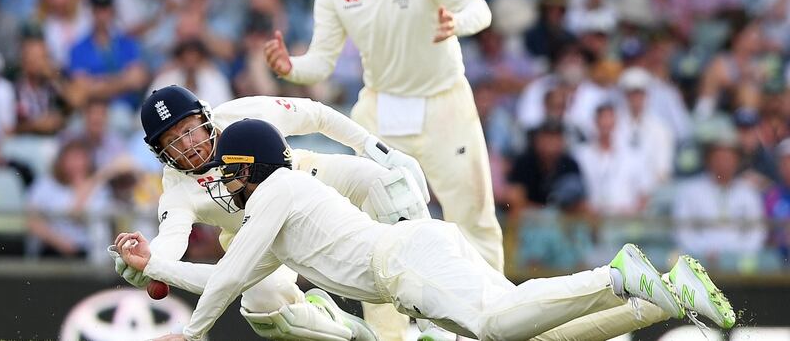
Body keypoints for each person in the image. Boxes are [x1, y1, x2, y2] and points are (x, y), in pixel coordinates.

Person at [116, 119, 736, 341]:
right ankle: (660, 300)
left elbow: (223, 279)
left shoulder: (276, 193)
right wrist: (153, 264)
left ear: (247, 164)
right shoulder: (271, 213)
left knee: (497, 326)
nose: (220, 177)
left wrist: (193, 334)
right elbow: (226, 275)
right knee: (524, 335)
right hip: (410, 264)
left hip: (405, 263)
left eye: (228, 167)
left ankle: (616, 274)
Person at [264, 0, 504, 336]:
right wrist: (290, 68)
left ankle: (494, 320)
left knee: (472, 214)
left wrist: (457, 23)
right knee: (376, 227)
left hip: (443, 102)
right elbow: (321, 61)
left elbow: (480, 10)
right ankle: (389, 333)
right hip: (381, 107)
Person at [111, 85, 430, 341]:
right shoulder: (177, 188)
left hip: (307, 175)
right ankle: (347, 331)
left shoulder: (241, 114)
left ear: (205, 117)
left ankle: (435, 328)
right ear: (160, 152)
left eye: (189, 129)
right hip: (257, 232)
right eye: (173, 141)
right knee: (263, 309)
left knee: (389, 185)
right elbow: (172, 238)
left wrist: (378, 150)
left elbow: (315, 114)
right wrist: (149, 261)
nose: (189, 145)